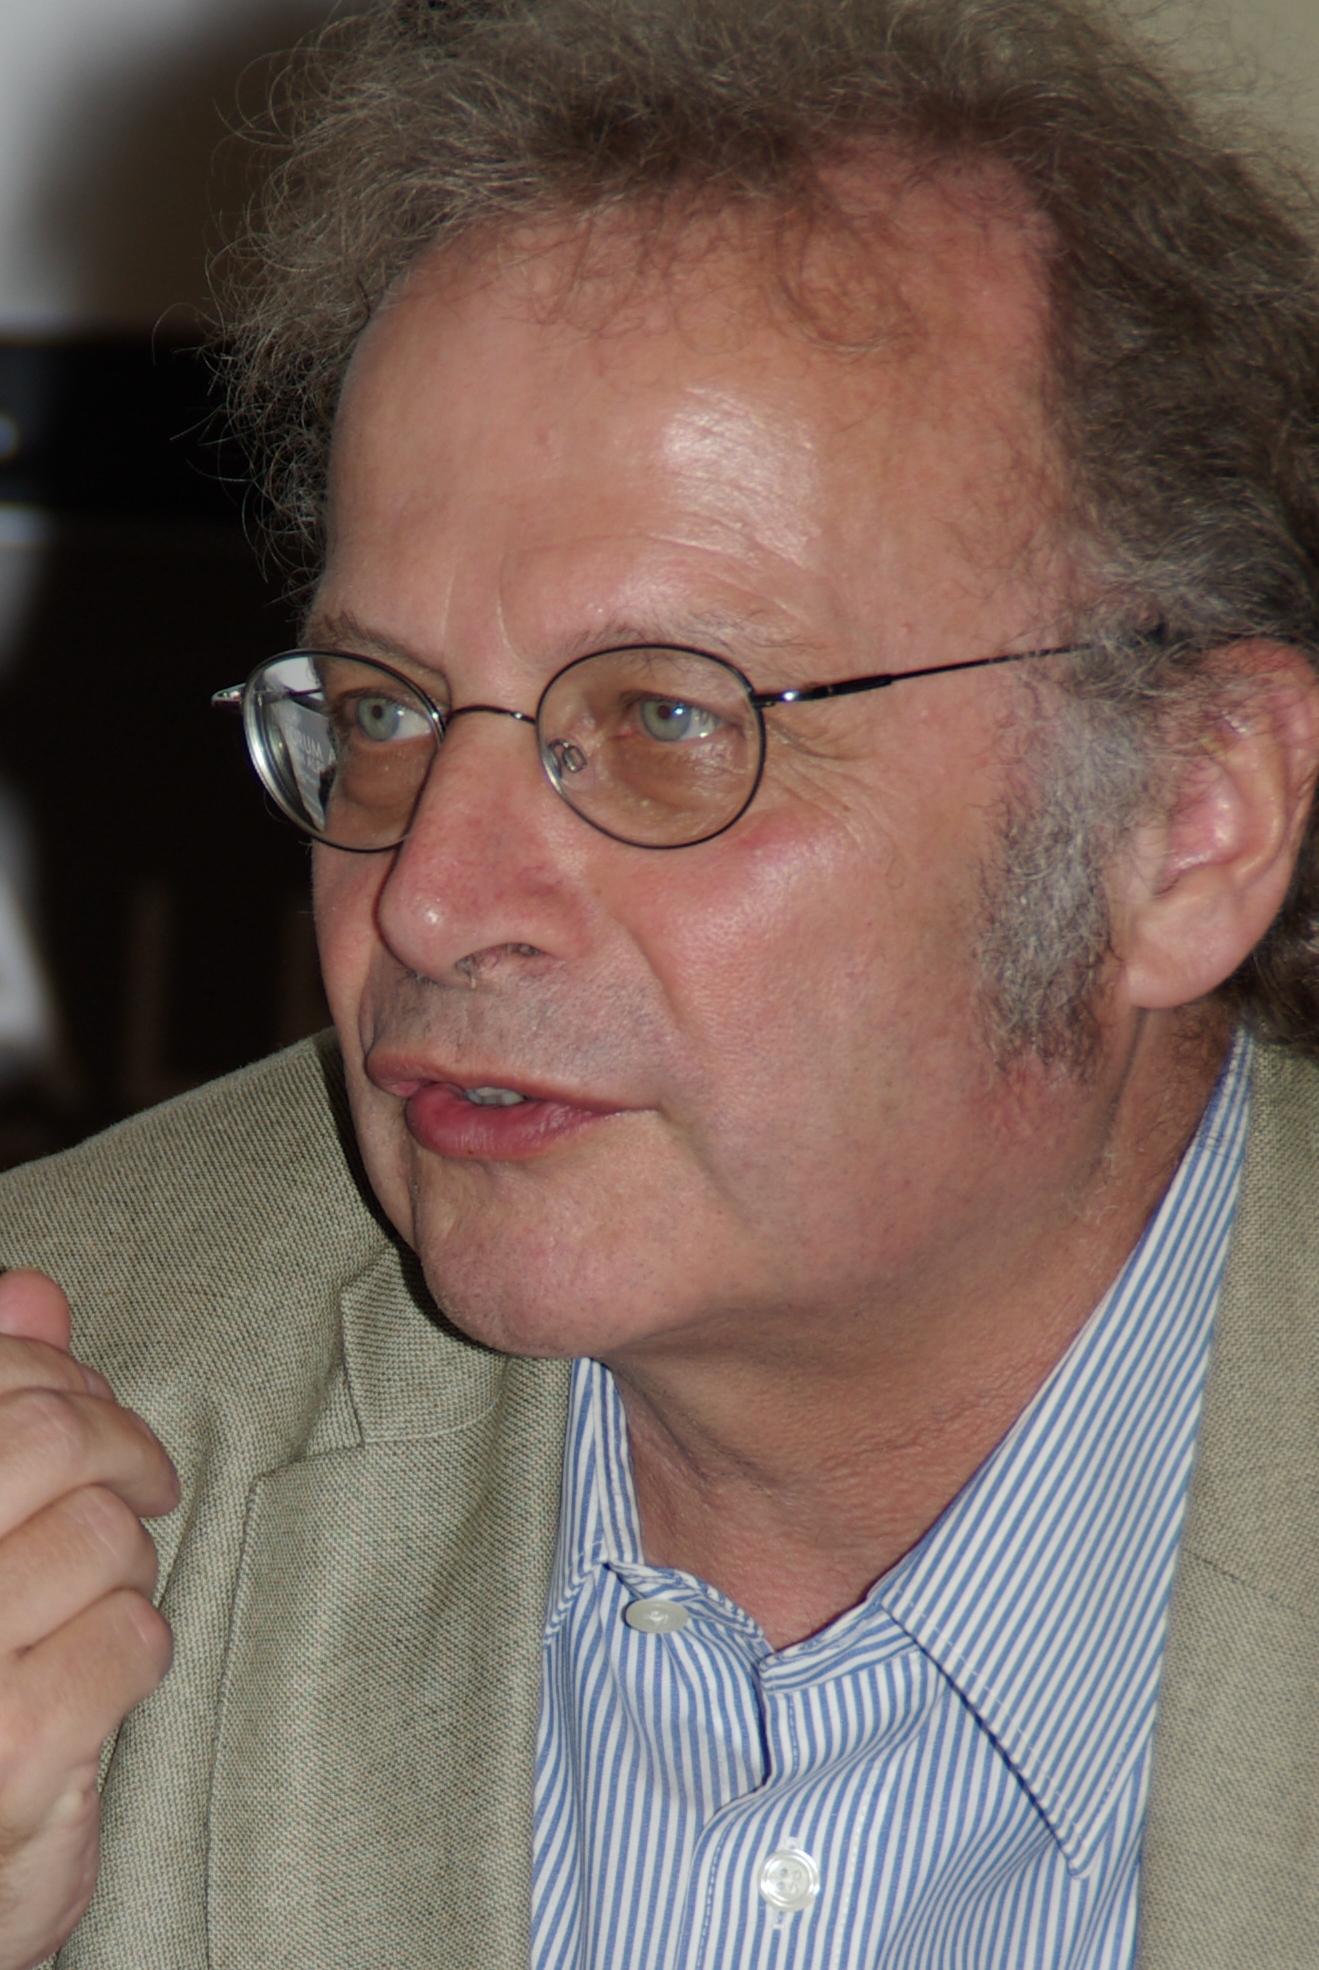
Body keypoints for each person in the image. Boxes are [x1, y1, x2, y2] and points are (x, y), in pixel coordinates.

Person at [2, 0, 1318, 1963]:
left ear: (1190, 822)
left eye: (668, 721)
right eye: (383, 710)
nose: (430, 901)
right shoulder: (70, 1460)